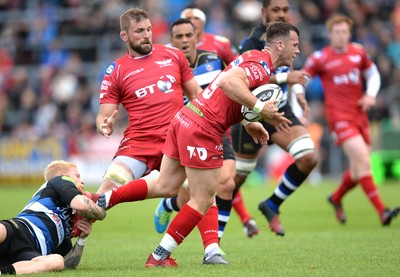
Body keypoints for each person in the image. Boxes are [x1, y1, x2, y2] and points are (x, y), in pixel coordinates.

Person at [95, 21, 299, 267]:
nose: (297, 51)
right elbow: (227, 83)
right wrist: (259, 108)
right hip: (204, 128)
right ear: (280, 45)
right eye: (294, 45)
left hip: (185, 118)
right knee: (203, 198)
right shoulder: (261, 66)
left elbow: (227, 96)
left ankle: (104, 200)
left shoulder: (253, 57)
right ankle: (159, 256)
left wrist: (248, 121)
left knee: (166, 185)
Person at [228, 0, 317, 237]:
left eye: (285, 10)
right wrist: (285, 81)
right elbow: (244, 80)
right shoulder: (252, 42)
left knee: (308, 157)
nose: (281, 14)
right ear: (263, 12)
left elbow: (290, 72)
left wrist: (298, 93)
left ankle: (272, 204)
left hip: (278, 108)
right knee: (232, 182)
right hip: (251, 111)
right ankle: (212, 235)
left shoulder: (287, 36)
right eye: (276, 10)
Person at [301, 14, 400, 226]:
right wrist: (299, 104)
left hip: (359, 116)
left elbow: (373, 74)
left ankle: (336, 198)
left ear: (349, 33)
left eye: (344, 32)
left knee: (357, 170)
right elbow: (301, 80)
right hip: (339, 119)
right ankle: (383, 212)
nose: (341, 36)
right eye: (337, 32)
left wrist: (371, 94)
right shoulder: (321, 57)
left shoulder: (358, 52)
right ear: (330, 34)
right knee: (364, 162)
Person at [152, 18, 234, 262]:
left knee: (226, 184)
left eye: (190, 35)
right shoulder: (165, 66)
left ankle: (211, 245)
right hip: (183, 131)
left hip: (213, 129)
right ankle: (210, 247)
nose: (186, 40)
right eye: (179, 37)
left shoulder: (213, 60)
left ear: (197, 36)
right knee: (198, 192)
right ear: (172, 40)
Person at [95, 8, 200, 194]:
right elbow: (103, 116)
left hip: (177, 139)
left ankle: (169, 211)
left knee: (202, 195)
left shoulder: (173, 55)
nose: (147, 35)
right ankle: (74, 221)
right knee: (109, 188)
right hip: (140, 143)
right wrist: (105, 126)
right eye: (139, 31)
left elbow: (196, 96)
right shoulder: (116, 70)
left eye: (148, 29)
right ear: (124, 36)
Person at [180, 4, 259, 238]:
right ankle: (169, 208)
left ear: (202, 24)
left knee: (224, 180)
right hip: (183, 124)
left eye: (195, 18)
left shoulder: (219, 46)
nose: (191, 21)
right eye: (186, 18)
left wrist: (244, 108)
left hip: (215, 119)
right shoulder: (171, 54)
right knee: (183, 187)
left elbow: (238, 70)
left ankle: (216, 242)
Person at [0, 160, 106, 275]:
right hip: (18, 229)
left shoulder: (67, 222)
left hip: (31, 251)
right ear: (63, 176)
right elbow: (83, 205)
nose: (82, 181)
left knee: (56, 262)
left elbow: (69, 265)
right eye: (77, 176)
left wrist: (82, 238)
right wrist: (102, 212)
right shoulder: (58, 181)